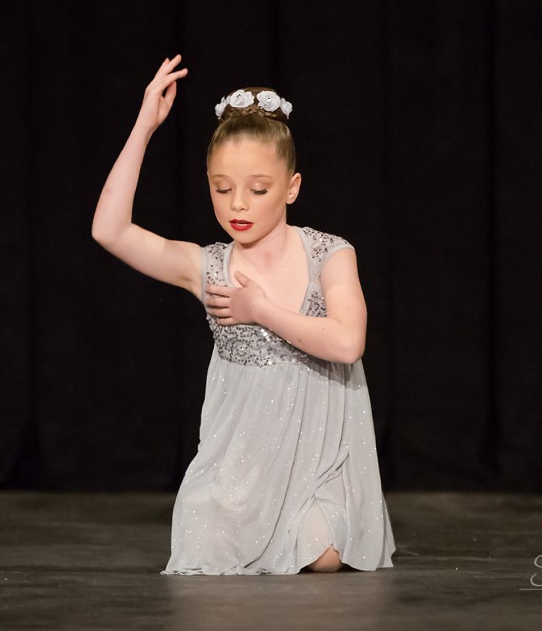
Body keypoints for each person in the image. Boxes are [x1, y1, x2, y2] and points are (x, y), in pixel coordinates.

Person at [92, 55, 395, 575]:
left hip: (319, 461)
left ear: (291, 188)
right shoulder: (208, 265)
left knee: (324, 554)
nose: (239, 204)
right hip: (240, 467)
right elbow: (110, 230)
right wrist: (145, 125)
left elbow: (348, 343)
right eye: (222, 187)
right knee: (205, 537)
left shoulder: (331, 254)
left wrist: (262, 309)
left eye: (258, 190)